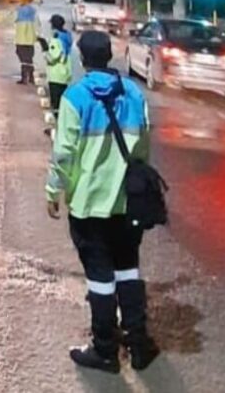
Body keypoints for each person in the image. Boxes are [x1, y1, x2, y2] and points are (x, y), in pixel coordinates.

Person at [45, 31, 159, 374]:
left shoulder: (74, 98)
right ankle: (138, 345)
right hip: (126, 203)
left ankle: (105, 350)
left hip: (89, 204)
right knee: (128, 270)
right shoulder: (134, 93)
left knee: (100, 278)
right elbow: (142, 148)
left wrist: (53, 192)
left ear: (81, 58)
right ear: (109, 56)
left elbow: (64, 154)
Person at [43, 14, 74, 119]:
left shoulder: (56, 39)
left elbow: (52, 58)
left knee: (55, 103)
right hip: (65, 74)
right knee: (61, 101)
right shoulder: (67, 37)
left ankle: (57, 125)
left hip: (56, 75)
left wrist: (45, 50)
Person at [14, 0, 40, 85]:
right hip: (30, 40)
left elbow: (11, 20)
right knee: (29, 58)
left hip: (21, 39)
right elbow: (37, 24)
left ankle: (24, 77)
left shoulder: (19, 10)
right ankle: (31, 77)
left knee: (23, 58)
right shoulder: (33, 11)